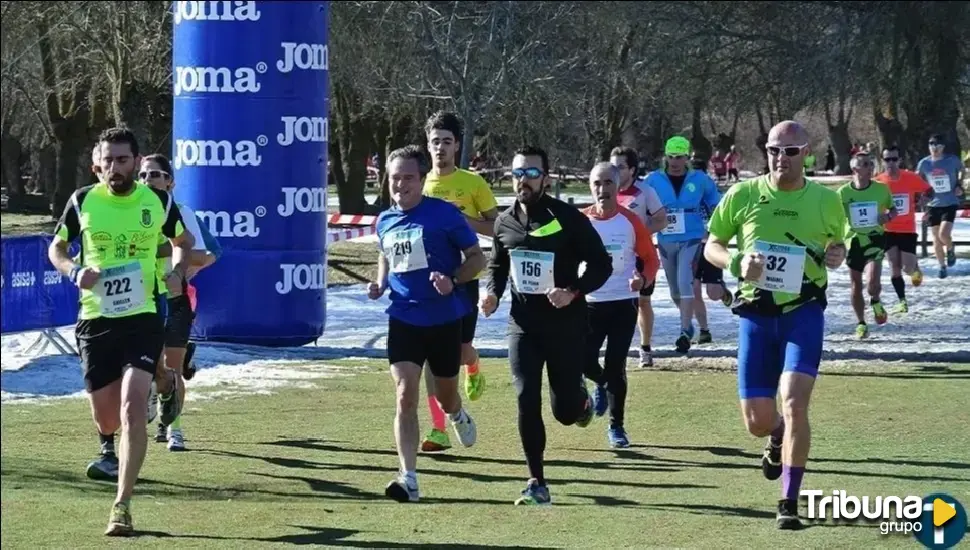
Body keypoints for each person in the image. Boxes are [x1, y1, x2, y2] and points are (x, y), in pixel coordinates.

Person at [49, 127, 193, 535]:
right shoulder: (83, 201)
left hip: (143, 316)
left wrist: (178, 271)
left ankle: (122, 505)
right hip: (96, 319)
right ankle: (165, 380)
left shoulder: (158, 201)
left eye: (123, 160)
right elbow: (56, 248)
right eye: (108, 160)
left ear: (136, 160)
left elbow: (183, 239)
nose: (115, 168)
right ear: (98, 162)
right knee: (107, 418)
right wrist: (74, 271)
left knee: (132, 409)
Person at [704, 120, 847, 530]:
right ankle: (775, 435)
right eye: (773, 150)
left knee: (795, 401)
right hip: (756, 314)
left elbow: (836, 245)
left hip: (803, 312)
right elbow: (712, 244)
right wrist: (735, 262)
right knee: (758, 422)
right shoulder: (744, 194)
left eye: (790, 151)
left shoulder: (825, 200)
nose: (780, 158)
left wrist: (836, 253)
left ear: (807, 153)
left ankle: (789, 500)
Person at [481, 145, 612, 505]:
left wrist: (573, 291)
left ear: (547, 179)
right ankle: (536, 481)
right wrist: (491, 293)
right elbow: (497, 267)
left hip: (566, 324)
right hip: (522, 325)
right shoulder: (504, 222)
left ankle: (581, 402)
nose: (523, 179)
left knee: (565, 411)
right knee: (526, 398)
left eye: (532, 173)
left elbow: (601, 264)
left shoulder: (567, 218)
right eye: (518, 172)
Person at [367, 145, 481, 503]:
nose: (401, 185)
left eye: (408, 178)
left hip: (443, 319)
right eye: (395, 178)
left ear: (421, 180)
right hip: (403, 317)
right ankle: (409, 477)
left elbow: (477, 259)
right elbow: (385, 253)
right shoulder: (384, 219)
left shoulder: (444, 215)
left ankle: (457, 413)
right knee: (405, 396)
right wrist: (381, 282)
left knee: (445, 395)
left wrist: (453, 279)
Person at [419, 111, 495, 452]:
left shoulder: (473, 183)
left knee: (460, 352)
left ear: (457, 145)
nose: (440, 148)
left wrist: (463, 221)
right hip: (428, 282)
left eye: (446, 142)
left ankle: (474, 364)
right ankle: (437, 429)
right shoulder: (418, 183)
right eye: (435, 142)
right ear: (428, 144)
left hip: (463, 279)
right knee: (429, 359)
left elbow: (497, 228)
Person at [141, 154, 222, 451]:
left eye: (154, 175)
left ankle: (174, 429)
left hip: (176, 297)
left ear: (170, 181)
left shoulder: (182, 212)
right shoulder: (132, 212)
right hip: (143, 298)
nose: (147, 181)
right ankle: (152, 393)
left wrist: (163, 252)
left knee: (172, 367)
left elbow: (202, 253)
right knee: (150, 363)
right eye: (143, 176)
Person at [581, 162, 659, 448]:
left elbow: (651, 259)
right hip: (589, 303)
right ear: (591, 187)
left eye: (608, 183)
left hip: (622, 302)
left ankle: (617, 427)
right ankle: (598, 382)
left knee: (617, 365)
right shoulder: (581, 221)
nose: (603, 190)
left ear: (617, 186)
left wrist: (643, 279)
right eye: (597, 184)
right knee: (583, 359)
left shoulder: (630, 221)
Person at [644, 136, 721, 353]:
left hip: (692, 238)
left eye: (679, 157)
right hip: (666, 239)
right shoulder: (653, 180)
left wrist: (711, 230)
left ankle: (685, 330)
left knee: (686, 281)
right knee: (675, 290)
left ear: (687, 157)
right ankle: (688, 323)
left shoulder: (700, 179)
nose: (675, 162)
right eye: (671, 157)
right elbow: (642, 205)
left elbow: (717, 205)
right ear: (665, 157)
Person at [609, 146, 666, 368]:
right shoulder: (605, 189)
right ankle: (615, 348)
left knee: (642, 301)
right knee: (613, 302)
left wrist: (639, 234)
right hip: (612, 256)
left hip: (640, 255)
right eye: (612, 166)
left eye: (620, 167)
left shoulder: (645, 191)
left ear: (632, 170)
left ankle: (645, 348)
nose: (614, 171)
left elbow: (661, 219)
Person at [838, 153, 897, 339]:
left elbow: (893, 209)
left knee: (872, 283)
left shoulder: (881, 189)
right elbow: (835, 218)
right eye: (865, 164)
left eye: (871, 164)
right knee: (856, 284)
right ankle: (861, 323)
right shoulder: (843, 193)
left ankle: (876, 300)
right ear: (855, 169)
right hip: (853, 241)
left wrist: (888, 217)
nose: (870, 167)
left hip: (875, 238)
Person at [874, 145, 930, 313]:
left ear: (899, 160)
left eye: (894, 159)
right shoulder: (878, 181)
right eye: (887, 159)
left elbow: (929, 191)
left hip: (907, 228)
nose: (891, 163)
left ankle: (915, 267)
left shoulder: (910, 177)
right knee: (893, 265)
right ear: (882, 161)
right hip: (887, 229)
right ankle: (902, 301)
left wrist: (924, 202)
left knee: (907, 268)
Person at [916, 134, 965, 278]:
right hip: (933, 204)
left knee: (944, 234)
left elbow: (963, 170)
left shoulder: (952, 160)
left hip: (949, 202)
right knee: (936, 238)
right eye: (931, 145)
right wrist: (923, 193)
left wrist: (959, 185)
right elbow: (917, 179)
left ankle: (950, 248)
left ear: (943, 147)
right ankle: (942, 266)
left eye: (937, 145)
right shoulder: (924, 163)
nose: (934, 148)